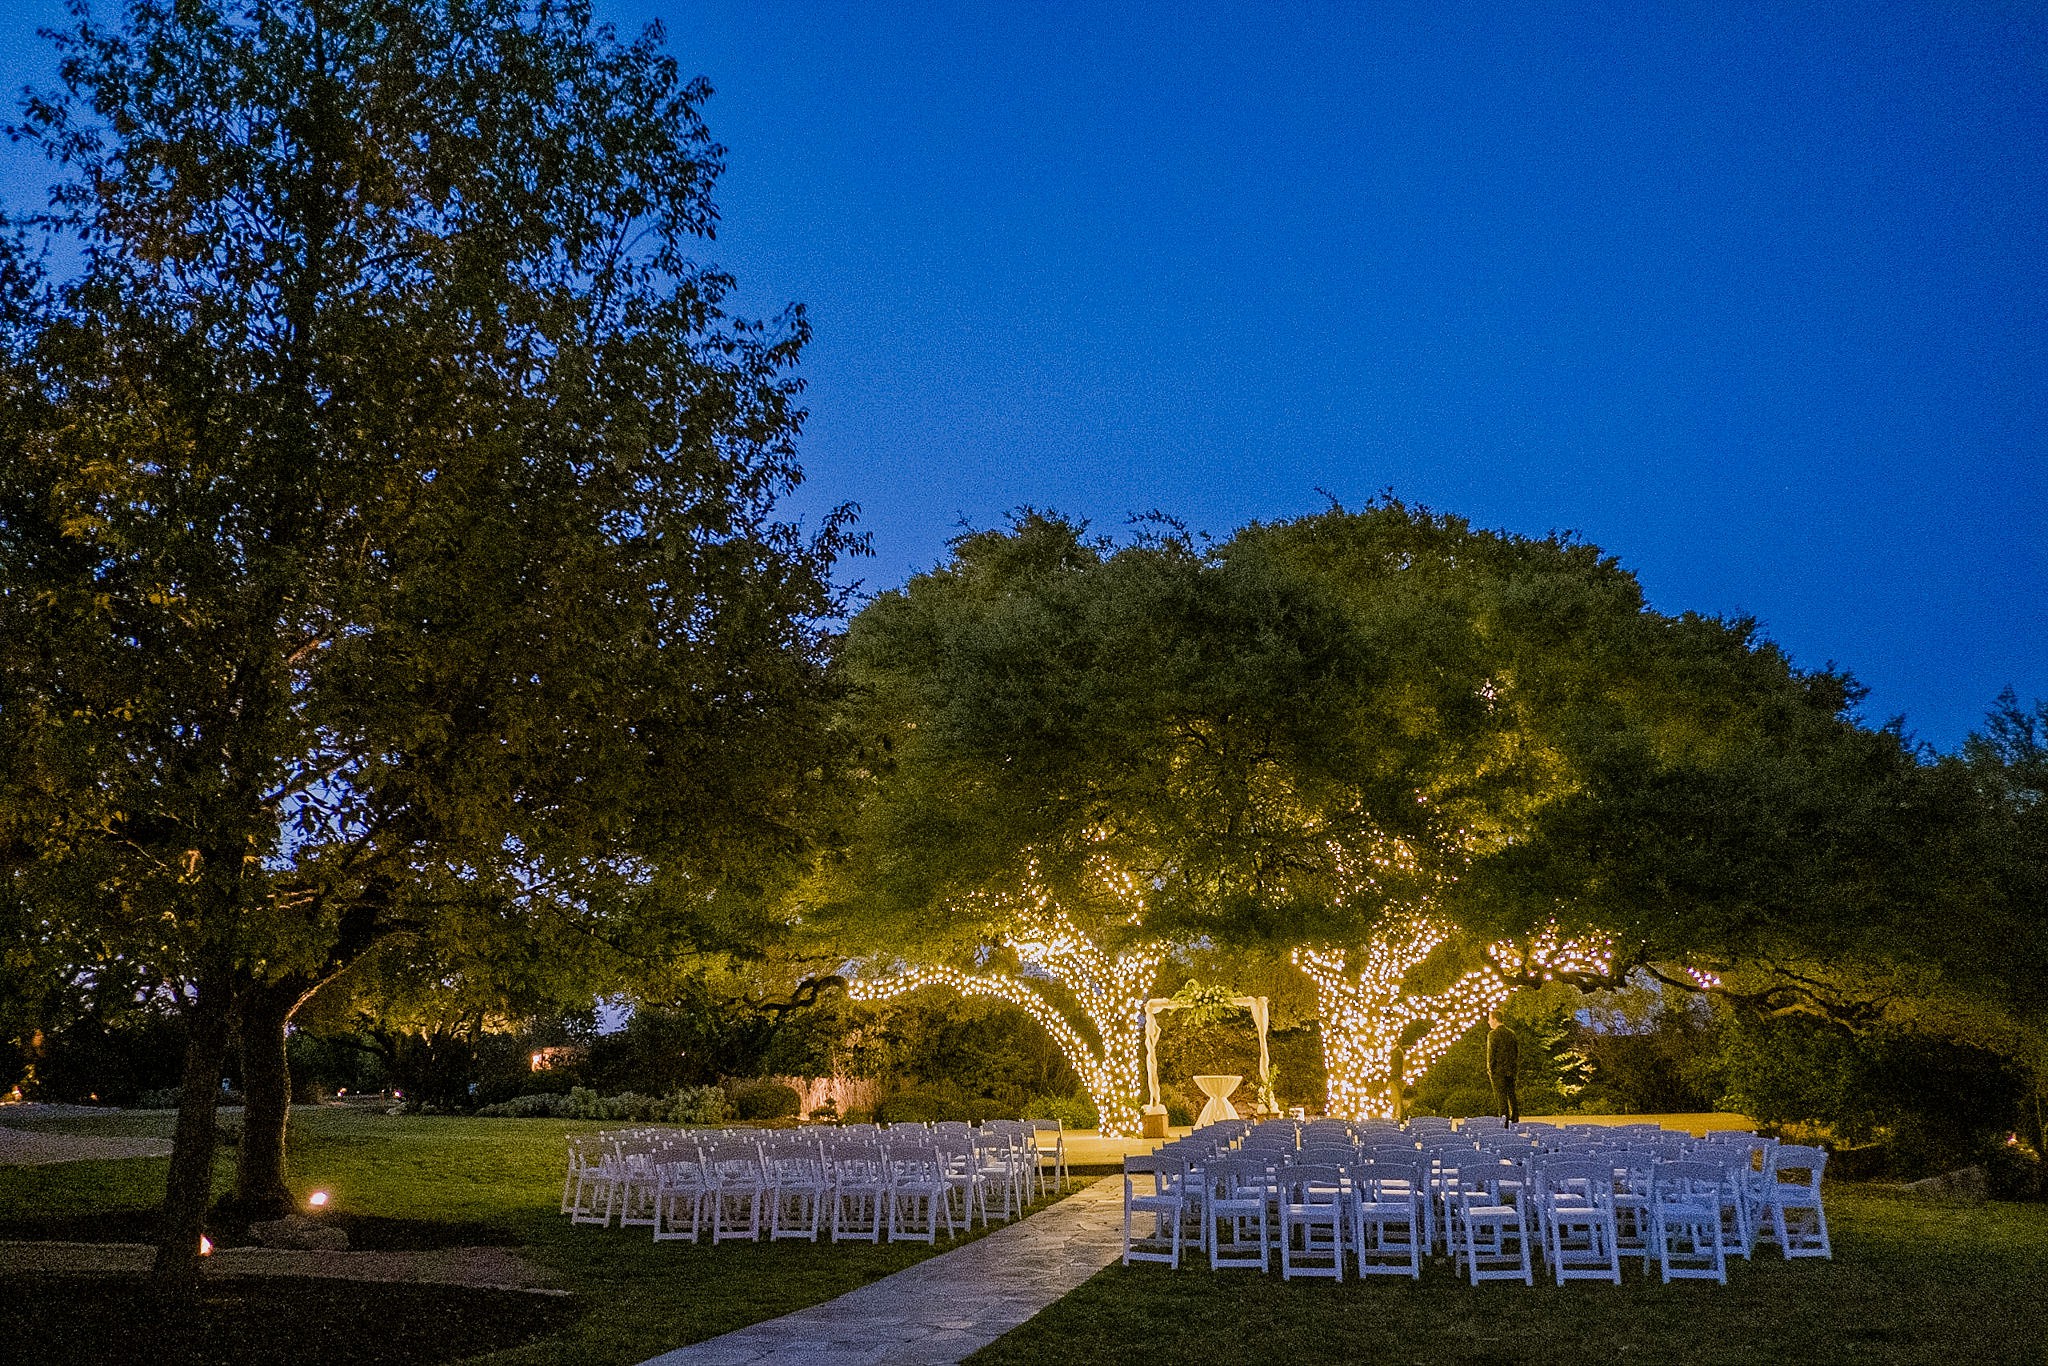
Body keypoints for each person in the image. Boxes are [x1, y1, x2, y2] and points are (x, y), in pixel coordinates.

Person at [1485, 1009, 1520, 1127]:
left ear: (1495, 1019)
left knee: (1501, 1097)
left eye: (1489, 1019)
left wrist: (1490, 1069)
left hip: (1498, 1071)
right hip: (1511, 1070)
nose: (1488, 1022)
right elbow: (1516, 1052)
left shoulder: (1493, 1034)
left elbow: (1491, 1054)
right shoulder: (1511, 1033)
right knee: (1511, 1094)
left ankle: (1504, 1121)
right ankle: (1515, 1118)